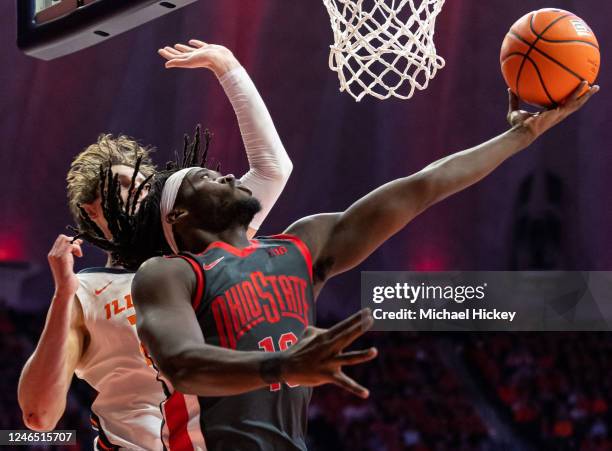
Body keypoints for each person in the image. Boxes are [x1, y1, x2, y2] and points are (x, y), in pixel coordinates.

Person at [90, 78, 598, 450]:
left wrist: (521, 137)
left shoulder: (299, 247)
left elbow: (422, 187)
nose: (227, 176)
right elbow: (181, 363)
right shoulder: (171, 272)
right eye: (208, 178)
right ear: (178, 215)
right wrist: (281, 366)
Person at [18, 40, 294, 450]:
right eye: (125, 186)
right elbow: (40, 417)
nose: (142, 194)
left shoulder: (198, 246)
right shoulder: (87, 291)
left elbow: (273, 169)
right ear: (93, 211)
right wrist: (63, 295)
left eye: (143, 183)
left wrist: (227, 66)